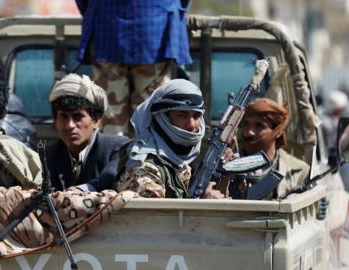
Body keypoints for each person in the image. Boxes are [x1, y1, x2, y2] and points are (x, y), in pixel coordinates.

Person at [75, 0, 192, 136]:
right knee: (150, 116)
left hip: (106, 25)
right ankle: (147, 154)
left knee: (111, 115)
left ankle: (113, 154)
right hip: (157, 25)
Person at [114, 79, 226, 199]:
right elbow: (152, 217)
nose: (192, 125)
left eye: (196, 116)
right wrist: (203, 207)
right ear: (162, 118)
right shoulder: (145, 171)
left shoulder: (179, 162)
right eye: (182, 116)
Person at [47, 73, 129, 191]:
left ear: (96, 120)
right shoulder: (49, 155)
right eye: (64, 117)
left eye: (77, 117)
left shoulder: (117, 148)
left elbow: (110, 178)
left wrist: (79, 192)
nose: (70, 125)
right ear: (55, 120)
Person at [238, 98, 310, 199]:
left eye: (259, 126)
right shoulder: (229, 166)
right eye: (246, 124)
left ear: (278, 131)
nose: (249, 132)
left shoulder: (298, 170)